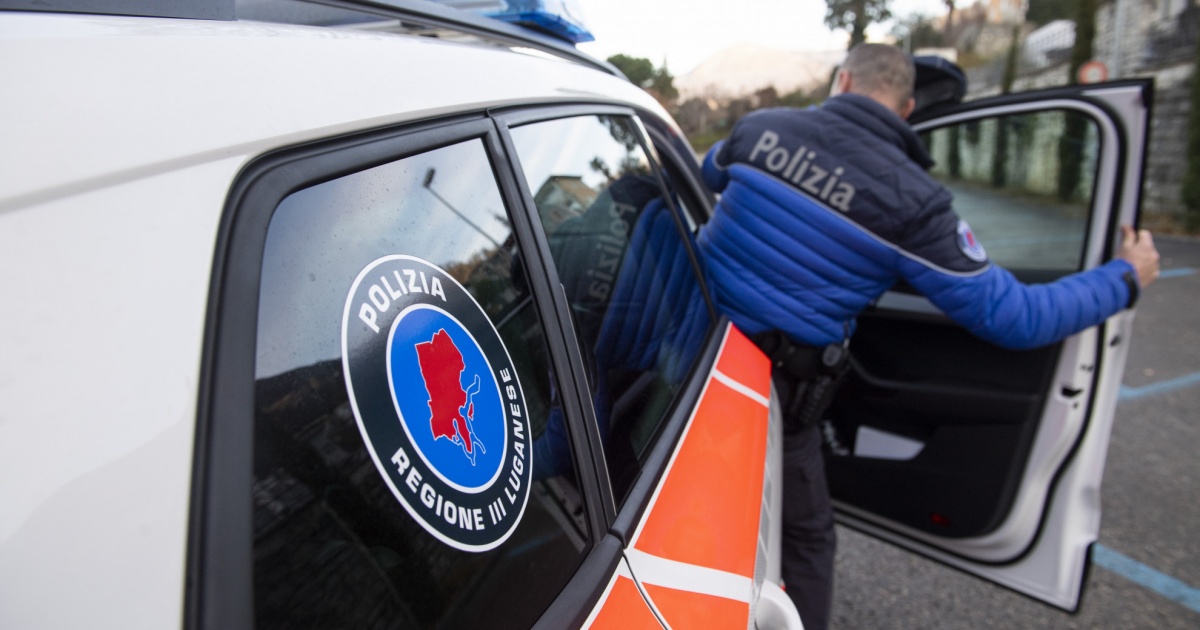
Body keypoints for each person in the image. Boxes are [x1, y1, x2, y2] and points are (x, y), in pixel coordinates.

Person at [696, 43, 1161, 630]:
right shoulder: (913, 202)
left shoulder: (762, 127)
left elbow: (707, 174)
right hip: (768, 396)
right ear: (908, 109)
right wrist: (1124, 278)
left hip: (685, 356)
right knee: (806, 539)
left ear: (843, 81)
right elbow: (1015, 317)